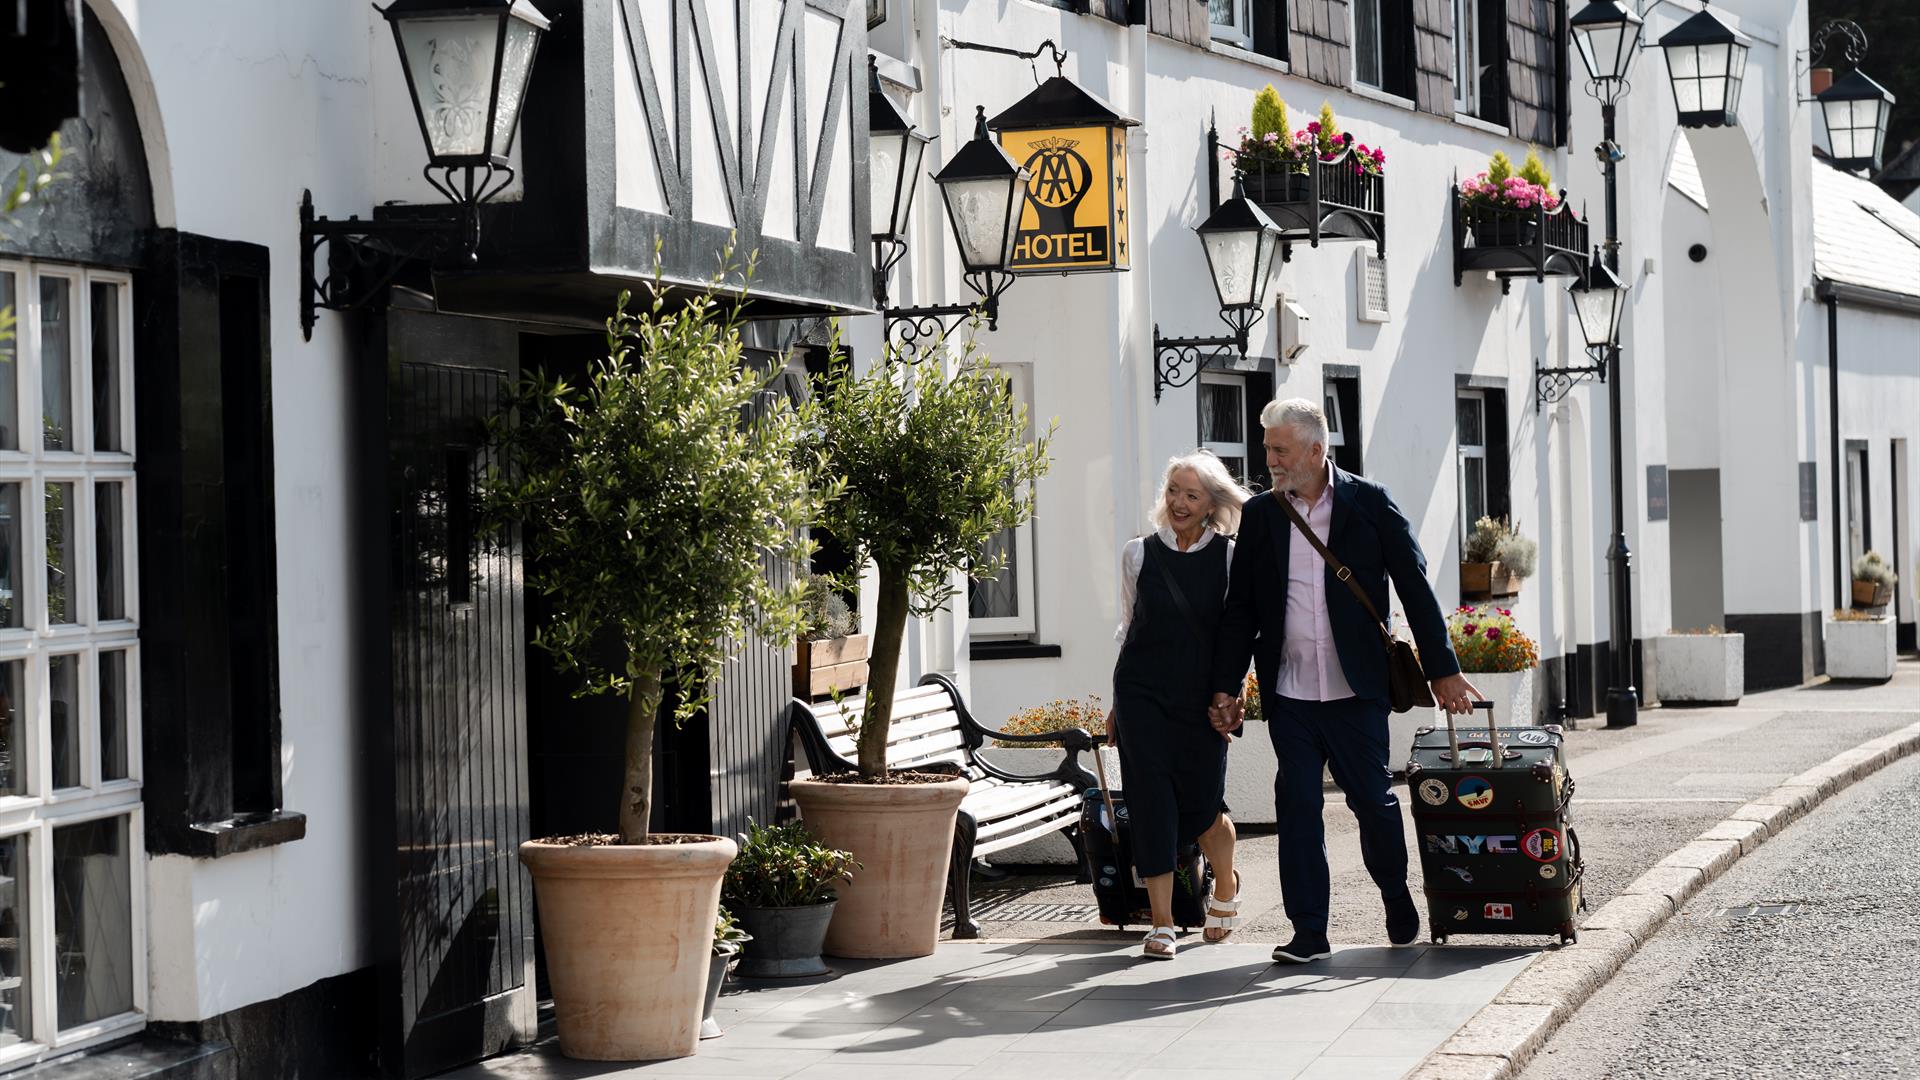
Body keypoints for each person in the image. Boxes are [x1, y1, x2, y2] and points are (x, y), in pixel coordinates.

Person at [1209, 398, 1479, 963]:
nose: (1269, 459)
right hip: (1290, 691)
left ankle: (1395, 893)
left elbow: (1416, 588)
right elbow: (1242, 610)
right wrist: (1226, 686)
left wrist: (1445, 670)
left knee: (1373, 802)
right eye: (1266, 449)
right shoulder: (1262, 515)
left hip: (1357, 689)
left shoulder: (1369, 503)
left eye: (1279, 449)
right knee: (1298, 804)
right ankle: (1309, 929)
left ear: (1315, 449)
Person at [1109, 451, 1249, 959]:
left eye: (1192, 494)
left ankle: (1226, 884)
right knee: (1149, 805)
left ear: (1212, 503)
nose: (1179, 503)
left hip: (1201, 698)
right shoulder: (1137, 553)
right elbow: (1128, 630)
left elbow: (1239, 634)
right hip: (1141, 695)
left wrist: (1236, 691)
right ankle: (1163, 923)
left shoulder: (1231, 557)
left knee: (1201, 806)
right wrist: (1114, 705)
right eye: (1173, 491)